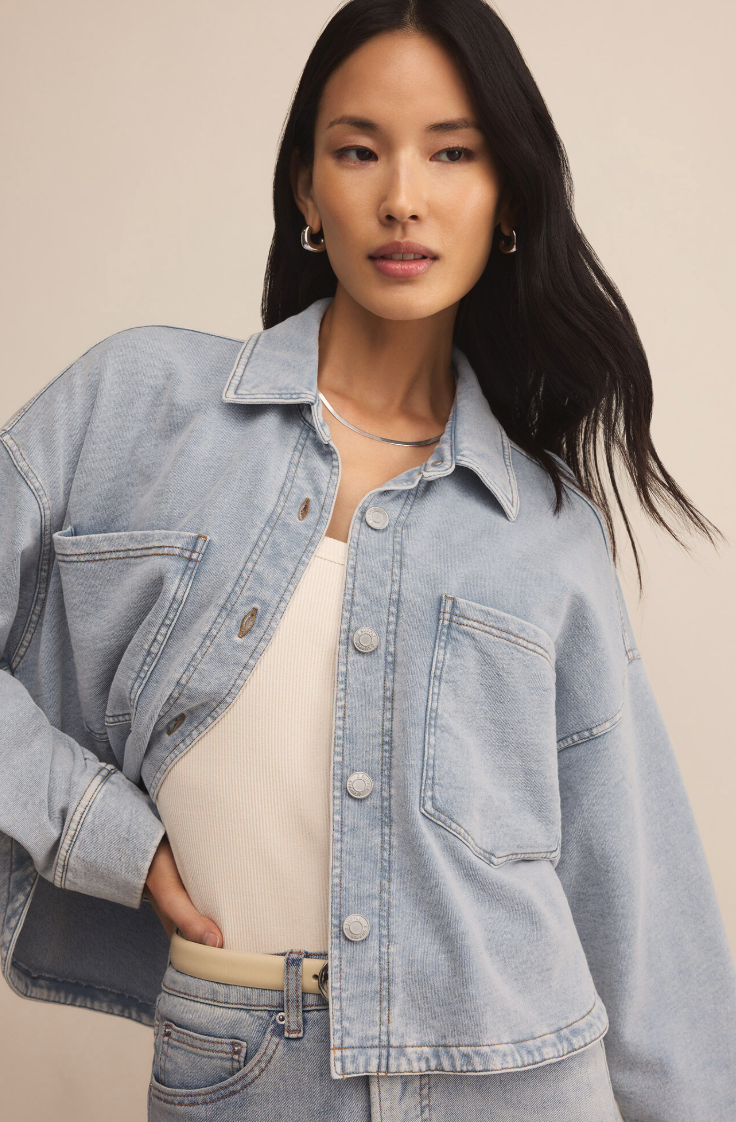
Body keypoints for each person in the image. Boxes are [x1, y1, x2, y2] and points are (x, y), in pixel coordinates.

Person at [1, 0, 734, 1118]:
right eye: (358, 151)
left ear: (507, 200)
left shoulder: (545, 528)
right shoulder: (135, 407)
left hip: (521, 1076)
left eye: (453, 153)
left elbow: (633, 899)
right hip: (239, 1068)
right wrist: (98, 830)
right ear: (306, 189)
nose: (402, 196)